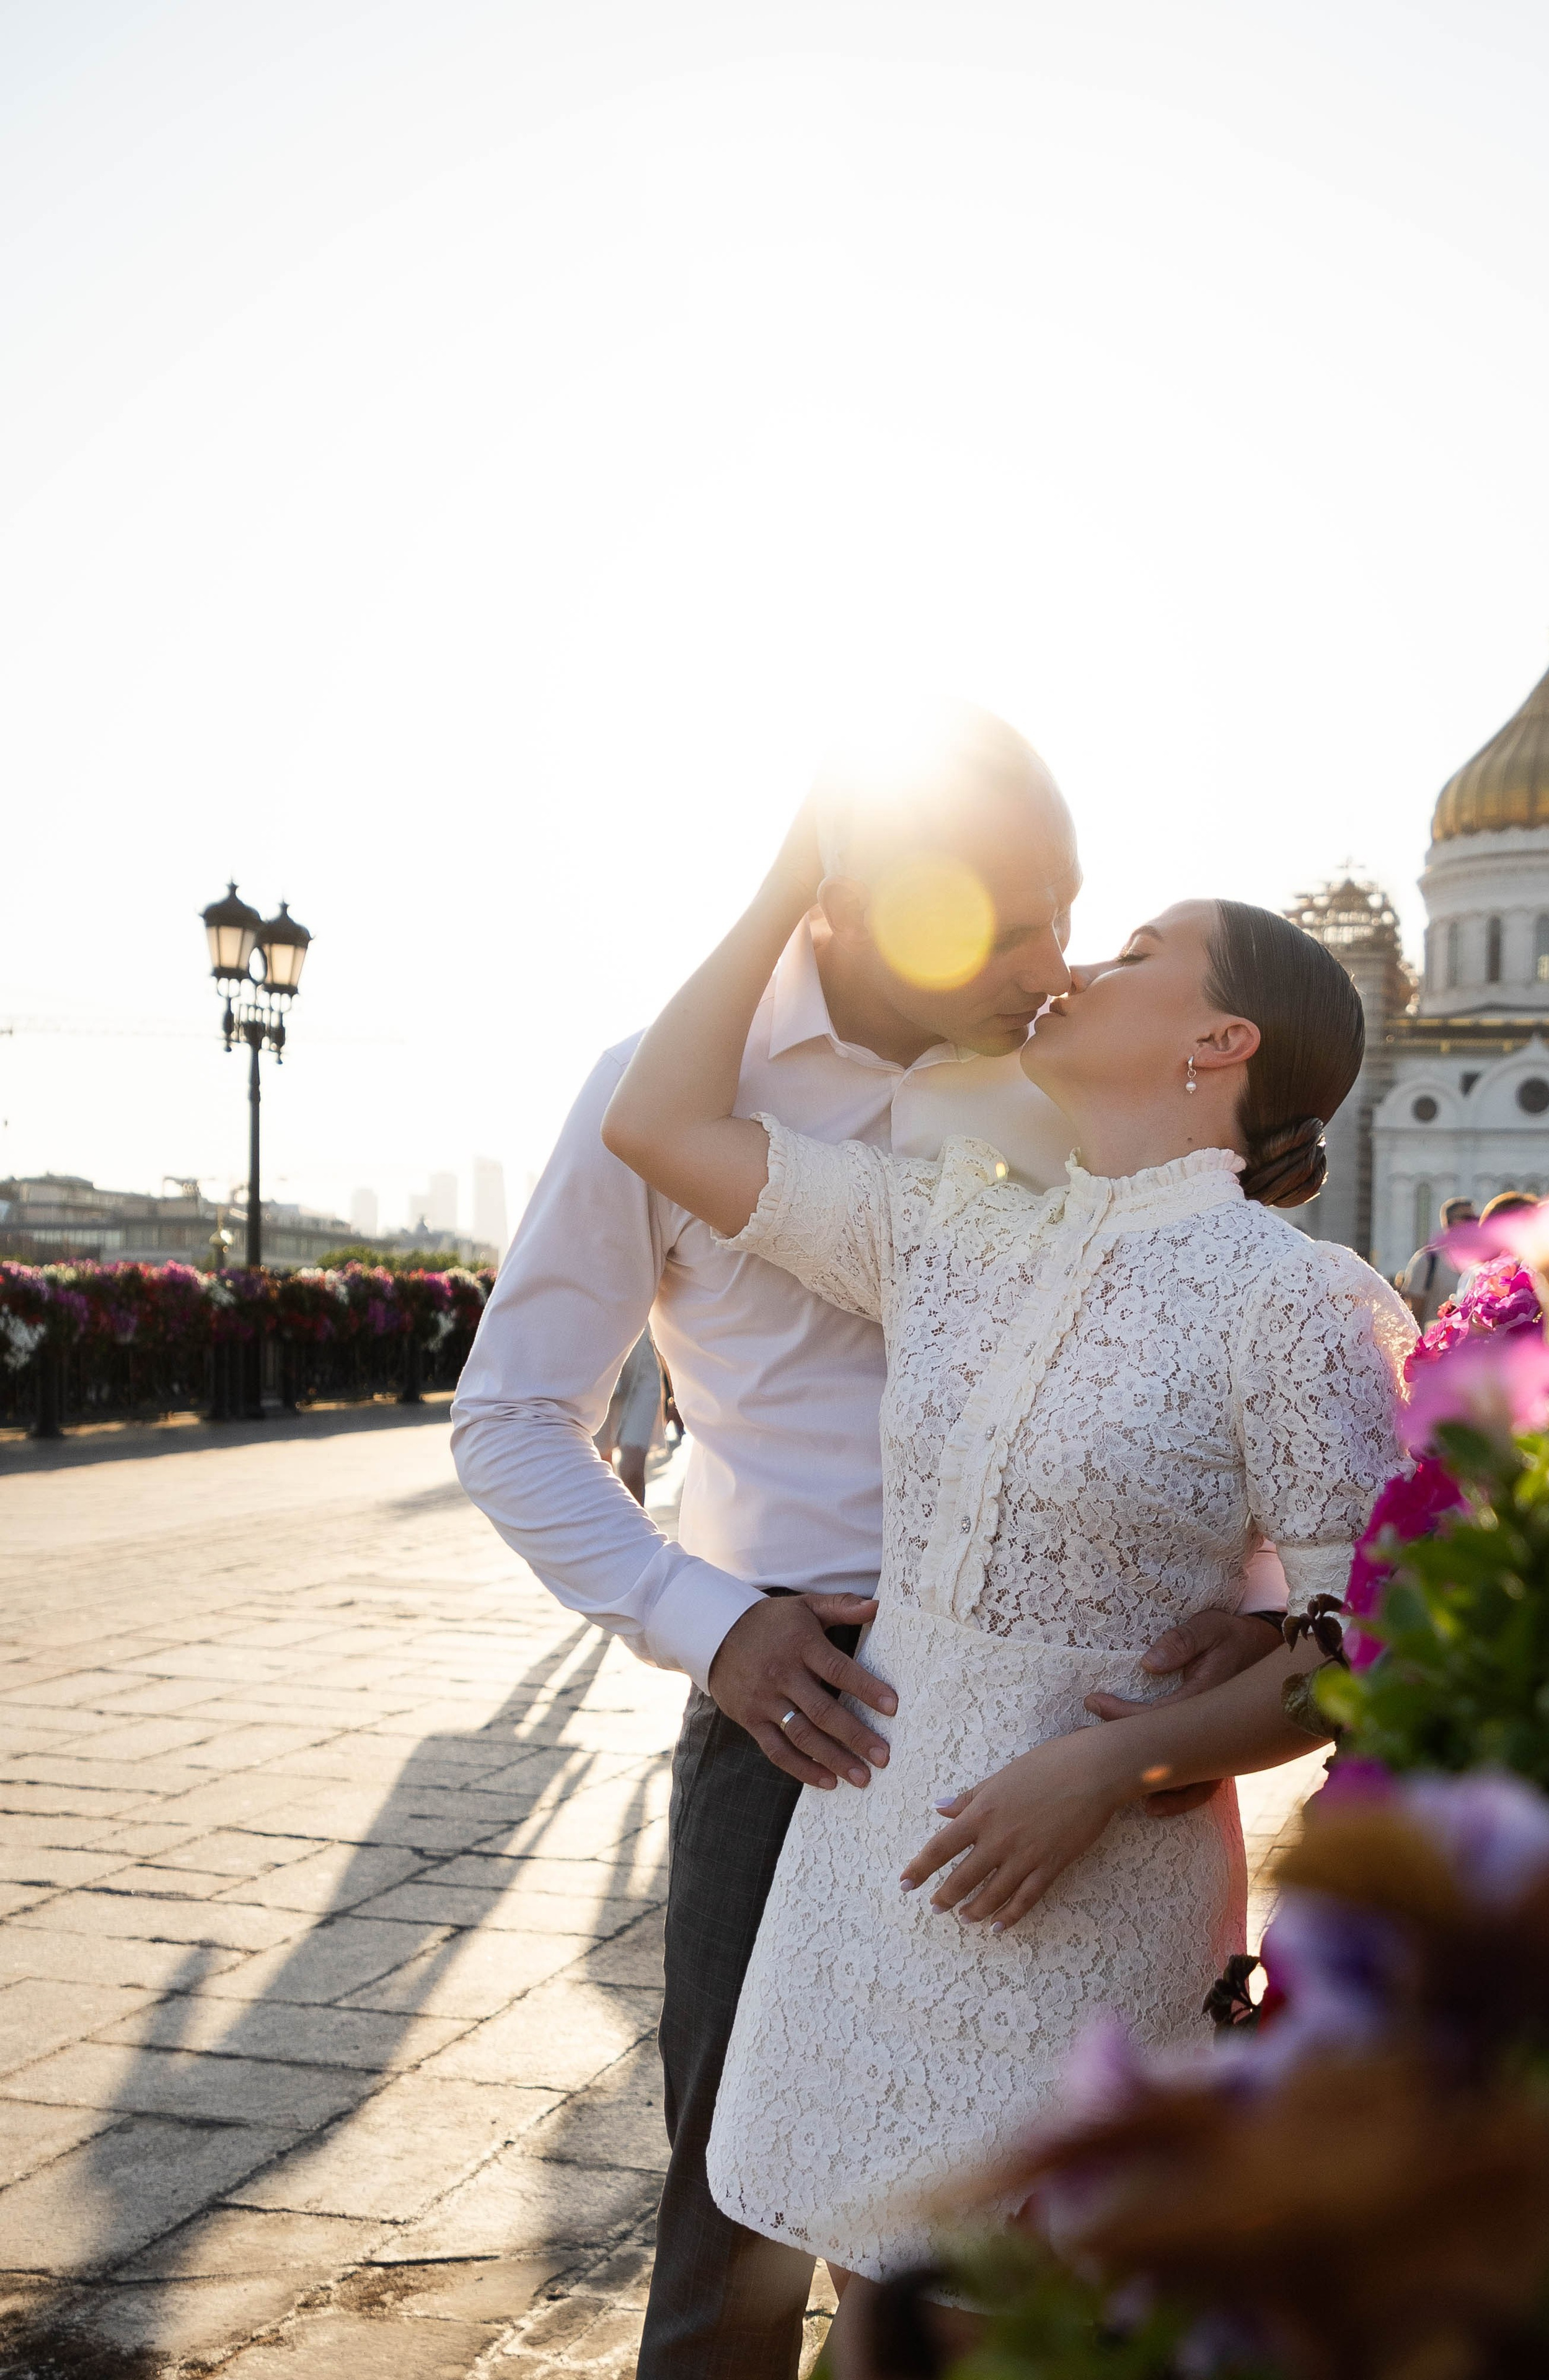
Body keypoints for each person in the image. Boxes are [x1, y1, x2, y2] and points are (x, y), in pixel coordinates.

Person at [451, 705, 1313, 2380]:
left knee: (984, 2261)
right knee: (737, 2251)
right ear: (850, 902)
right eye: (1001, 922)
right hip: (806, 1717)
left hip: (1065, 1737)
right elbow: (508, 1419)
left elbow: (1193, 1364)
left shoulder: (1058, 1091)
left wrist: (1258, 1604)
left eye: (1070, 914)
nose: (1050, 963)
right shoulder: (677, 1085)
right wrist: (715, 1626)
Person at [596, 1324, 665, 1505]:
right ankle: (611, 1529)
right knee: (600, 1468)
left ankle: (637, 1532)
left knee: (631, 1470)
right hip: (596, 1364)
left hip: (641, 1365)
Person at [1401, 1195, 1475, 1325]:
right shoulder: (1428, 1260)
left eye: (1475, 1219)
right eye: (1467, 1218)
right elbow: (1414, 1312)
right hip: (1435, 1340)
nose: (1473, 1223)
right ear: (1449, 1222)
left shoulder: (1480, 1262)